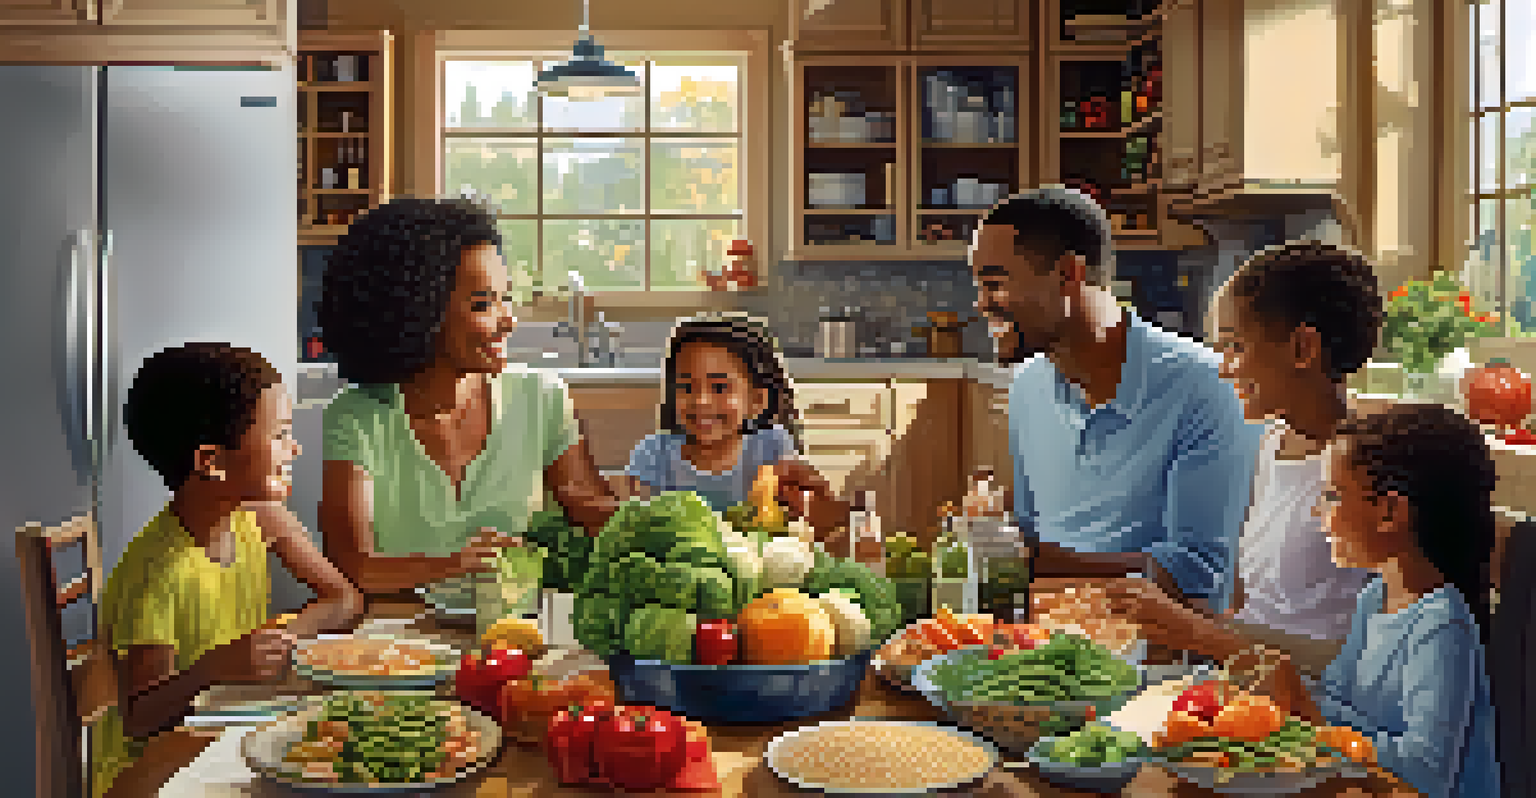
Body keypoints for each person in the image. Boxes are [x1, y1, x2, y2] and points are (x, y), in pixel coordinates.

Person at [1092, 404, 1500, 798]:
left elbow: (1425, 775)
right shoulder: (1375, 597)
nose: (1317, 510)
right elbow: (1338, 703)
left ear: (1390, 512)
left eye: (1333, 495)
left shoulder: (1441, 626)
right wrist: (1288, 692)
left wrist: (1306, 706)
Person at [971, 186, 1261, 611]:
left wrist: (1024, 561)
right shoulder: (1027, 386)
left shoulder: (1205, 385)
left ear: (1069, 274)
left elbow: (1200, 576)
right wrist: (994, 538)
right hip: (1043, 640)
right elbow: (1030, 535)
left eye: (995, 284)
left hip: (1156, 657)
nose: (982, 305)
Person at [93, 343, 362, 798]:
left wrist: (285, 636)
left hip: (226, 732)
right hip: (155, 773)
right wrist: (211, 670)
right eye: (279, 435)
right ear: (211, 462)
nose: (294, 448)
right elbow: (140, 717)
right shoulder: (157, 574)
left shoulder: (260, 518)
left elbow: (346, 599)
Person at [317, 198, 620, 596]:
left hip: (513, 637)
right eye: (483, 304)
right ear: (418, 313)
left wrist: (673, 520)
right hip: (393, 644)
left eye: (505, 297)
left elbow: (591, 511)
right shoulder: (356, 416)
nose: (508, 321)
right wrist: (455, 565)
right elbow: (354, 568)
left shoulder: (541, 397)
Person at [1209, 240, 1376, 642]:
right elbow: (1250, 604)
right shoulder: (1271, 444)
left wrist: (1203, 634)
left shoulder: (1365, 473)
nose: (1224, 369)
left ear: (1303, 348)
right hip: (1250, 684)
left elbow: (1357, 658)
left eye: (1235, 346)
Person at [624, 314, 850, 536]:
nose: (701, 401)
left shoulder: (772, 445)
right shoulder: (654, 455)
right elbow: (637, 532)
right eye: (686, 387)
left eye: (720, 388)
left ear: (757, 401)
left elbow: (803, 524)